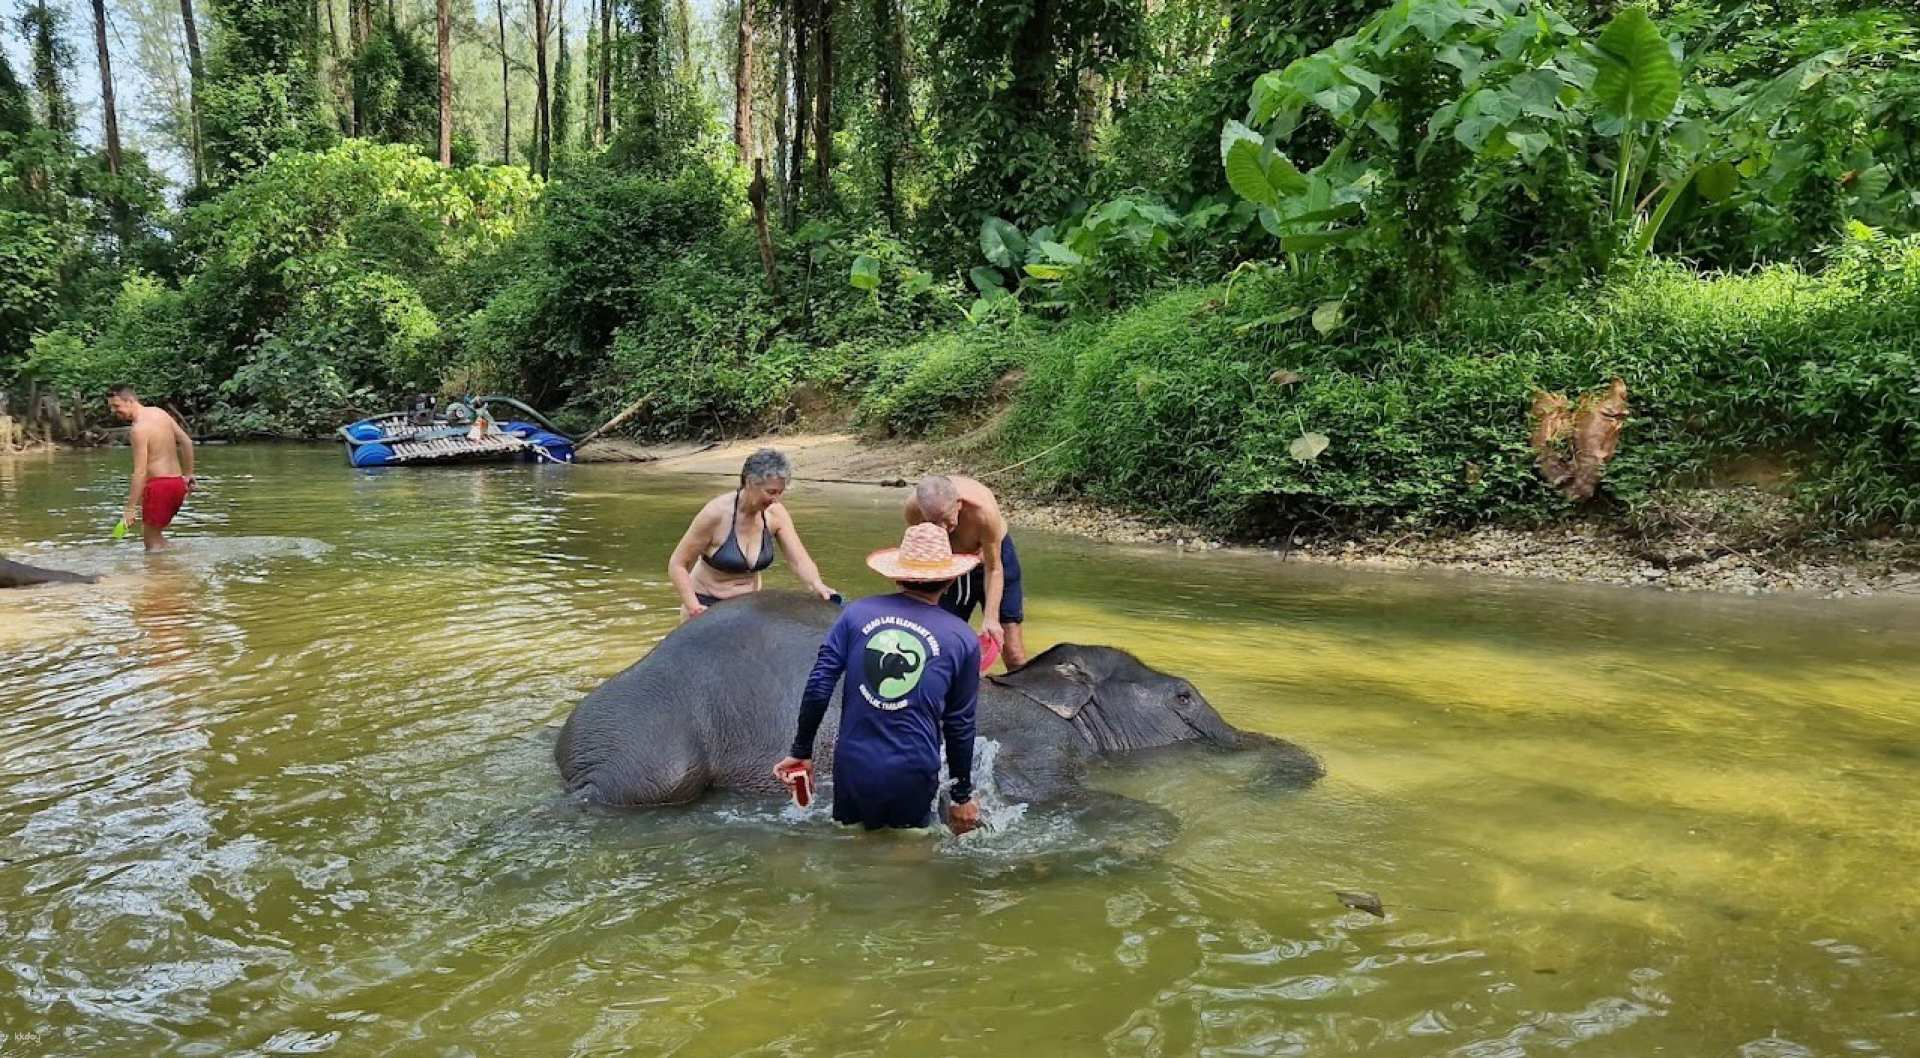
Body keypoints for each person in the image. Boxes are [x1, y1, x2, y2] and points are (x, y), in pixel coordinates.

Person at [774, 523, 983, 834]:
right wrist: (961, 795)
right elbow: (960, 723)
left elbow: (819, 684)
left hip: (853, 763)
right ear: (951, 579)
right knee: (905, 856)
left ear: (896, 574)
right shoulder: (962, 637)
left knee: (849, 847)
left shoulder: (856, 614)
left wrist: (801, 751)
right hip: (914, 768)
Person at [668, 448, 836, 620]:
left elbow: (799, 560)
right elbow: (678, 564)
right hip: (707, 606)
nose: (776, 499)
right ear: (749, 482)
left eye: (780, 492)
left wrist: (816, 584)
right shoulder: (715, 514)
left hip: (750, 607)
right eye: (770, 492)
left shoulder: (775, 514)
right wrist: (693, 606)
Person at [903, 474, 1028, 669]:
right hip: (950, 567)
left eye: (946, 520)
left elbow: (994, 569)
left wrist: (990, 618)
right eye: (933, 522)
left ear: (959, 504)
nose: (943, 530)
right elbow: (920, 554)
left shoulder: (983, 513)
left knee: (1013, 653)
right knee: (938, 644)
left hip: (993, 564)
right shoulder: (913, 508)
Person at [107, 385, 195, 552]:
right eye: (111, 406)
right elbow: (186, 442)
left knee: (151, 543)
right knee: (156, 537)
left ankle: (162, 575)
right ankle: (183, 559)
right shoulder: (159, 413)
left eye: (116, 406)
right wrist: (189, 476)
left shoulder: (138, 429)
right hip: (177, 484)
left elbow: (140, 472)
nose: (113, 411)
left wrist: (130, 508)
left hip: (159, 487)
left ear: (131, 401)